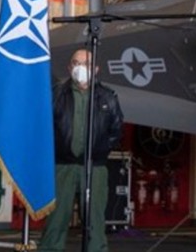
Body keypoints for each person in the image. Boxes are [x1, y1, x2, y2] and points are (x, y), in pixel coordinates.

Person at [40, 48, 124, 252]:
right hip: (62, 166)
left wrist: (99, 151)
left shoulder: (108, 97)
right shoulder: (56, 94)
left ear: (95, 69)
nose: (80, 68)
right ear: (70, 68)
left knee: (94, 222)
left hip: (95, 169)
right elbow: (44, 127)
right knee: (56, 221)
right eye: (76, 63)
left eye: (86, 64)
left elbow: (116, 129)